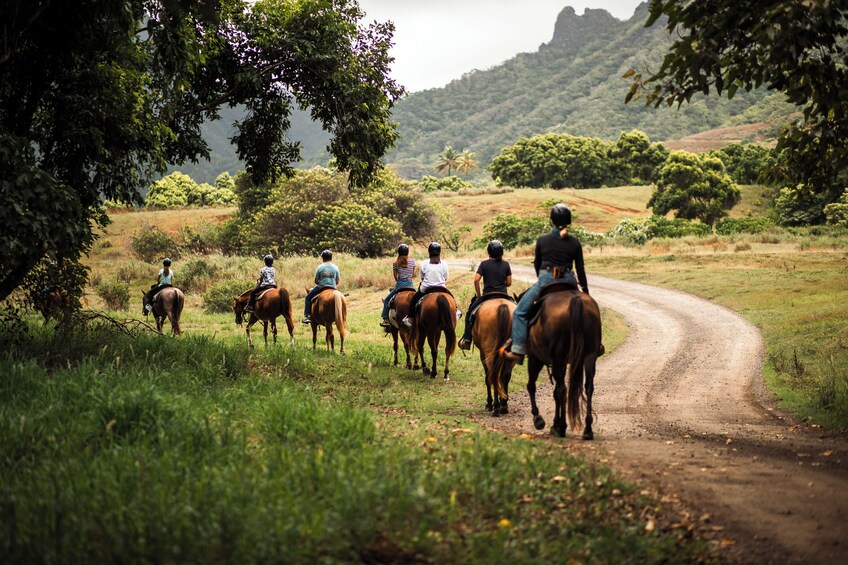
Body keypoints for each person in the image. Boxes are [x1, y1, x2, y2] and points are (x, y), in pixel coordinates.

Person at [502, 204, 589, 364]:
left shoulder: (543, 240)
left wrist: (542, 280)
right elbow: (581, 270)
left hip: (547, 279)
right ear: (569, 221)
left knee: (520, 312)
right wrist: (585, 291)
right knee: (587, 311)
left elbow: (537, 265)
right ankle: (593, 345)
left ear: (552, 221)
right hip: (569, 280)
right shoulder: (575, 242)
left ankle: (519, 350)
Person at [458, 240, 512, 350]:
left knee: (469, 315)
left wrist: (478, 295)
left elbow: (476, 280)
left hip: (488, 295)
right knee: (518, 313)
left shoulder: (484, 264)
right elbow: (509, 282)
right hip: (503, 295)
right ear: (502, 252)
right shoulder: (506, 264)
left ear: (489, 252)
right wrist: (502, 284)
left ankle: (467, 340)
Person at [402, 242, 450, 328]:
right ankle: (456, 310)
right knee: (451, 297)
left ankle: (410, 317)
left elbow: (422, 277)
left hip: (426, 288)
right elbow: (445, 278)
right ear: (439, 252)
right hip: (441, 287)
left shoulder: (424, 263)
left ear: (429, 252)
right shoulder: (444, 263)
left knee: (414, 300)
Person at [380, 243, 417, 327]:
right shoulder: (412, 262)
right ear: (407, 252)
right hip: (410, 286)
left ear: (398, 252)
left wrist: (401, 280)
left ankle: (385, 320)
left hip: (399, 286)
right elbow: (412, 275)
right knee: (420, 300)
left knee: (386, 300)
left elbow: (395, 277)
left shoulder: (395, 263)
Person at [303, 249, 341, 323]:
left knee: (308, 297)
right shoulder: (336, 267)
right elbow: (337, 282)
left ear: (323, 258)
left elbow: (316, 281)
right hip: (333, 288)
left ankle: (308, 316)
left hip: (321, 287)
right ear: (331, 258)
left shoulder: (320, 267)